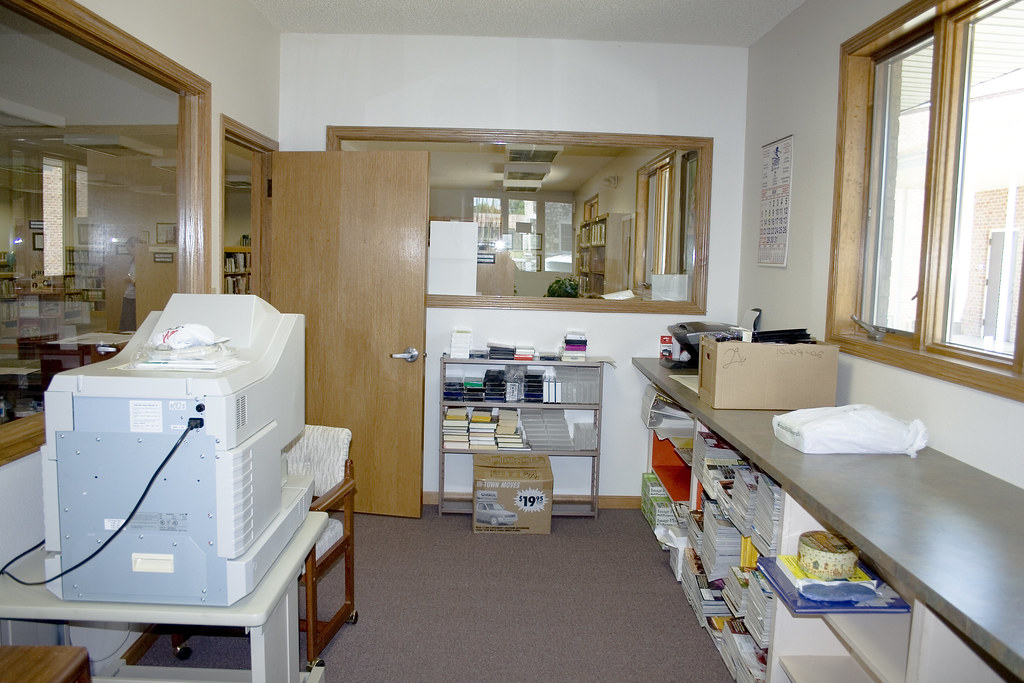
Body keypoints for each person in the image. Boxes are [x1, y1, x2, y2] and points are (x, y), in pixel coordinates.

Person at [119, 242, 136, 331]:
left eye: (129, 250)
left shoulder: (141, 262)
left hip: (134, 297)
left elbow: (140, 281)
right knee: (125, 322)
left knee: (130, 322)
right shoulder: (132, 260)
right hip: (128, 295)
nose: (128, 252)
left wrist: (131, 279)